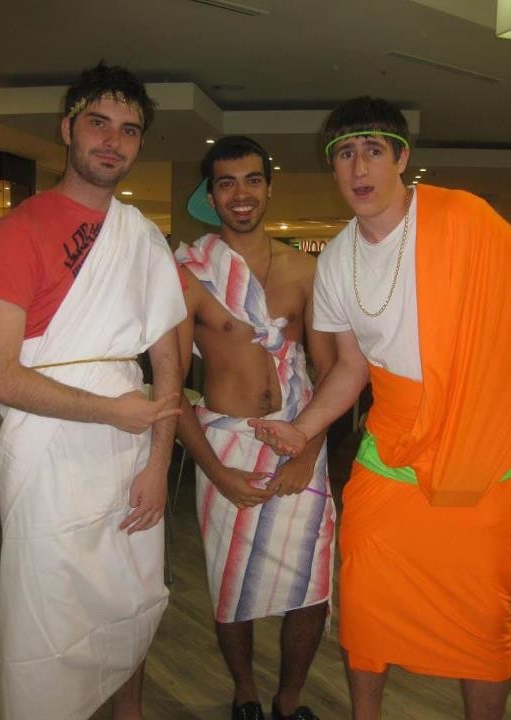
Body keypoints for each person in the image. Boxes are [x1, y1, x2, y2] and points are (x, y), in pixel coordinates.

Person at [249, 97, 511, 720]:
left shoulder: (462, 218)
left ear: (401, 158)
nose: (359, 167)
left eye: (373, 151)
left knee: (481, 625)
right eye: (344, 154)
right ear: (332, 167)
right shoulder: (335, 261)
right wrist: (302, 429)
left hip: (475, 455)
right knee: (366, 613)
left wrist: (506, 408)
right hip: (388, 454)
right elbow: (350, 369)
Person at [0, 62, 186, 720]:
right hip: (49, 456)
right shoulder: (19, 231)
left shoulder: (143, 237)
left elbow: (168, 363)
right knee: (49, 613)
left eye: (129, 130)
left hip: (130, 454)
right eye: (98, 123)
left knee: (129, 599)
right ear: (67, 128)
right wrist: (110, 412)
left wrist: (158, 463)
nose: (112, 140)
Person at [174, 136, 337, 720]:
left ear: (269, 187)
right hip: (226, 446)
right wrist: (217, 473)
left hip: (301, 436)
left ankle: (288, 701)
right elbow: (171, 389)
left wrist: (306, 451)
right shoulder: (189, 274)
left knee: (313, 584)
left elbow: (330, 372)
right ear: (210, 194)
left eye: (251, 180)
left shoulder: (305, 269)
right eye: (226, 183)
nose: (240, 194)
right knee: (230, 583)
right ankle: (245, 694)